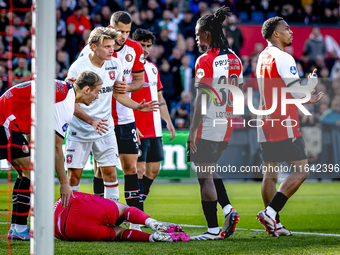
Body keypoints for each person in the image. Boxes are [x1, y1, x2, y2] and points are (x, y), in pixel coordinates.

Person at [0, 71, 103, 240]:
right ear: (86, 89)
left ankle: (17, 228)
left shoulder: (64, 90)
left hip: (9, 118)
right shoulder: (65, 104)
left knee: (26, 172)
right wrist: (64, 183)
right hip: (6, 119)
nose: (97, 96)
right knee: (29, 172)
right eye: (96, 92)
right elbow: (56, 148)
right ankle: (18, 228)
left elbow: (31, 112)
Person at [66, 27, 158, 203]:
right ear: (93, 47)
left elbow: (119, 94)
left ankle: (111, 218)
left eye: (112, 45)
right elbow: (69, 102)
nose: (112, 50)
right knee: (73, 177)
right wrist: (90, 120)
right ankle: (67, 217)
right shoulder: (78, 68)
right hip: (80, 128)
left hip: (105, 128)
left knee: (110, 173)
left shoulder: (115, 64)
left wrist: (138, 106)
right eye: (107, 46)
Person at [256, 16, 324, 237]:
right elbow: (295, 91)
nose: (291, 32)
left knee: (270, 173)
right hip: (284, 121)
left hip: (265, 119)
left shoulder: (262, 57)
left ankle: (273, 223)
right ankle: (271, 212)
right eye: (286, 29)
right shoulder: (284, 58)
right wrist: (310, 87)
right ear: (276, 34)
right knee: (301, 170)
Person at [79, 12, 145, 213]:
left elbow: (139, 81)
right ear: (110, 27)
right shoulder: (95, 50)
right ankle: (100, 215)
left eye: (127, 31)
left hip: (126, 118)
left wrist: (126, 88)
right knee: (101, 170)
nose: (124, 36)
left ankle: (136, 219)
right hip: (102, 119)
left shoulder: (135, 48)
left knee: (131, 168)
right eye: (119, 31)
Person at [187, 6, 242, 241]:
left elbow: (201, 99)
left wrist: (191, 133)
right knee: (208, 171)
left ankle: (211, 230)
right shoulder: (236, 59)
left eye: (199, 34)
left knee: (204, 176)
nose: (197, 38)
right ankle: (228, 209)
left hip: (208, 123)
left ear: (207, 33)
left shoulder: (205, 60)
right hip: (227, 123)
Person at [131, 29, 176, 229]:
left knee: (153, 170)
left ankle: (137, 208)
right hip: (137, 127)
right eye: (143, 44)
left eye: (149, 45)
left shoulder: (153, 68)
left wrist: (168, 121)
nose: (146, 49)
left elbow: (160, 99)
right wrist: (131, 125)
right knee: (138, 170)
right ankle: (138, 218)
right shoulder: (128, 68)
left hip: (155, 128)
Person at [54, 191, 190, 242]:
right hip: (75, 205)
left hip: (67, 229)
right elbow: (87, 197)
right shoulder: (62, 198)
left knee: (118, 233)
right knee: (124, 209)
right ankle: (151, 222)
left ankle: (152, 237)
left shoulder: (52, 228)